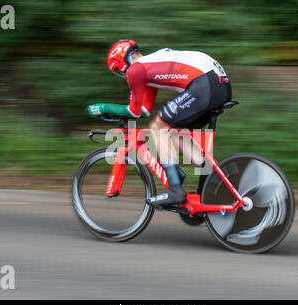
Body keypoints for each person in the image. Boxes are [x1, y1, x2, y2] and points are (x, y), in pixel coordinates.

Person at [93, 39, 232, 207]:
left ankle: (175, 190)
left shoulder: (135, 70)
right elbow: (143, 110)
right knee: (176, 133)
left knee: (157, 129)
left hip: (204, 83)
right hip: (218, 84)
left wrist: (103, 108)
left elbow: (134, 111)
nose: (121, 75)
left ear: (121, 63)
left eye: (117, 71)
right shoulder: (149, 66)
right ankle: (213, 182)